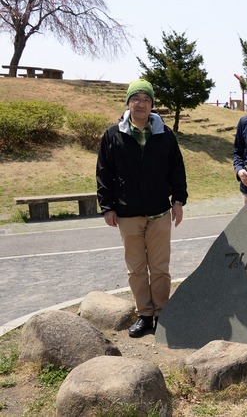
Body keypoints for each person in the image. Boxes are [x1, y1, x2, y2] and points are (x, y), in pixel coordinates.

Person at [96, 78, 188, 338]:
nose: (141, 104)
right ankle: (144, 315)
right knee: (136, 268)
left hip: (159, 212)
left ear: (152, 106)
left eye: (146, 100)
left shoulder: (164, 134)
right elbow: (104, 173)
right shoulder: (113, 135)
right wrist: (107, 207)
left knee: (160, 268)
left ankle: (161, 313)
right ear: (128, 103)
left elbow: (177, 169)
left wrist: (178, 200)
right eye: (136, 98)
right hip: (127, 214)